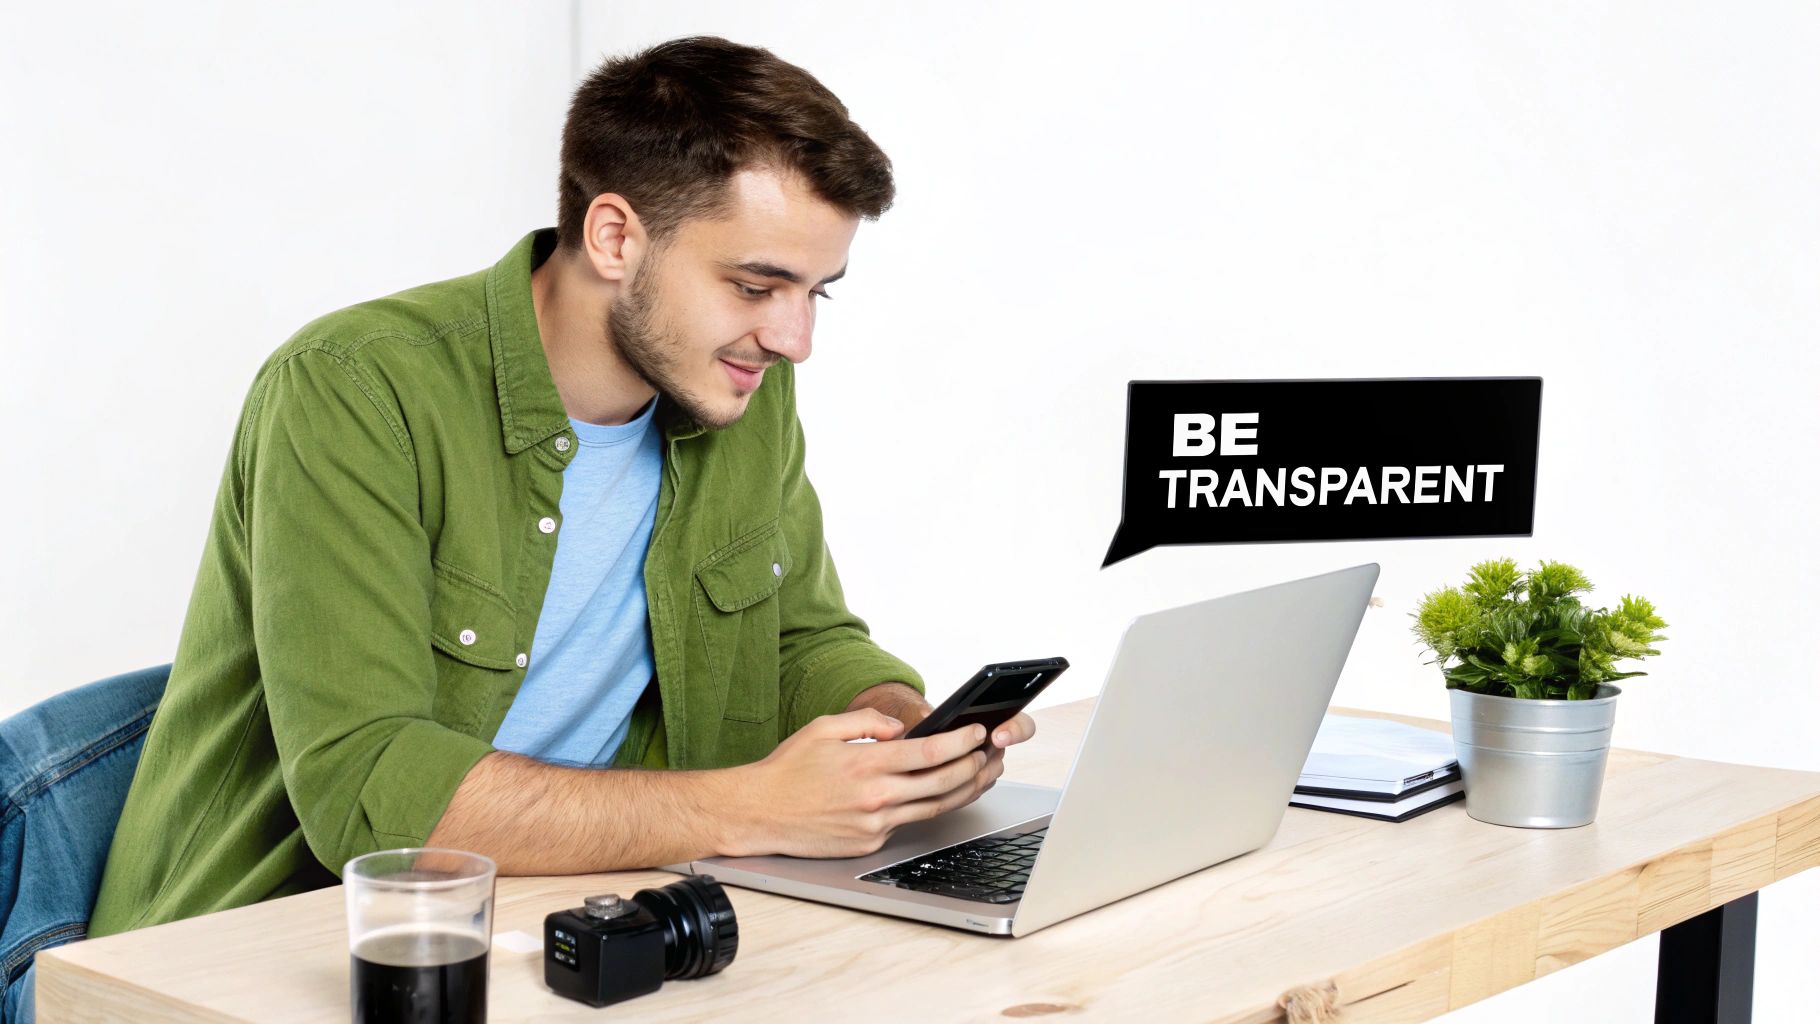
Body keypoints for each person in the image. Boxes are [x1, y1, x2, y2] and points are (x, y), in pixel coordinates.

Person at [88, 35, 1034, 937]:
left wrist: (912, 736)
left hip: (563, 907)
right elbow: (372, 797)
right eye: (756, 286)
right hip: (269, 941)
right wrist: (749, 808)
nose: (795, 340)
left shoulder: (739, 388)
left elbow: (798, 637)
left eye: (815, 292)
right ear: (616, 235)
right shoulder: (354, 390)